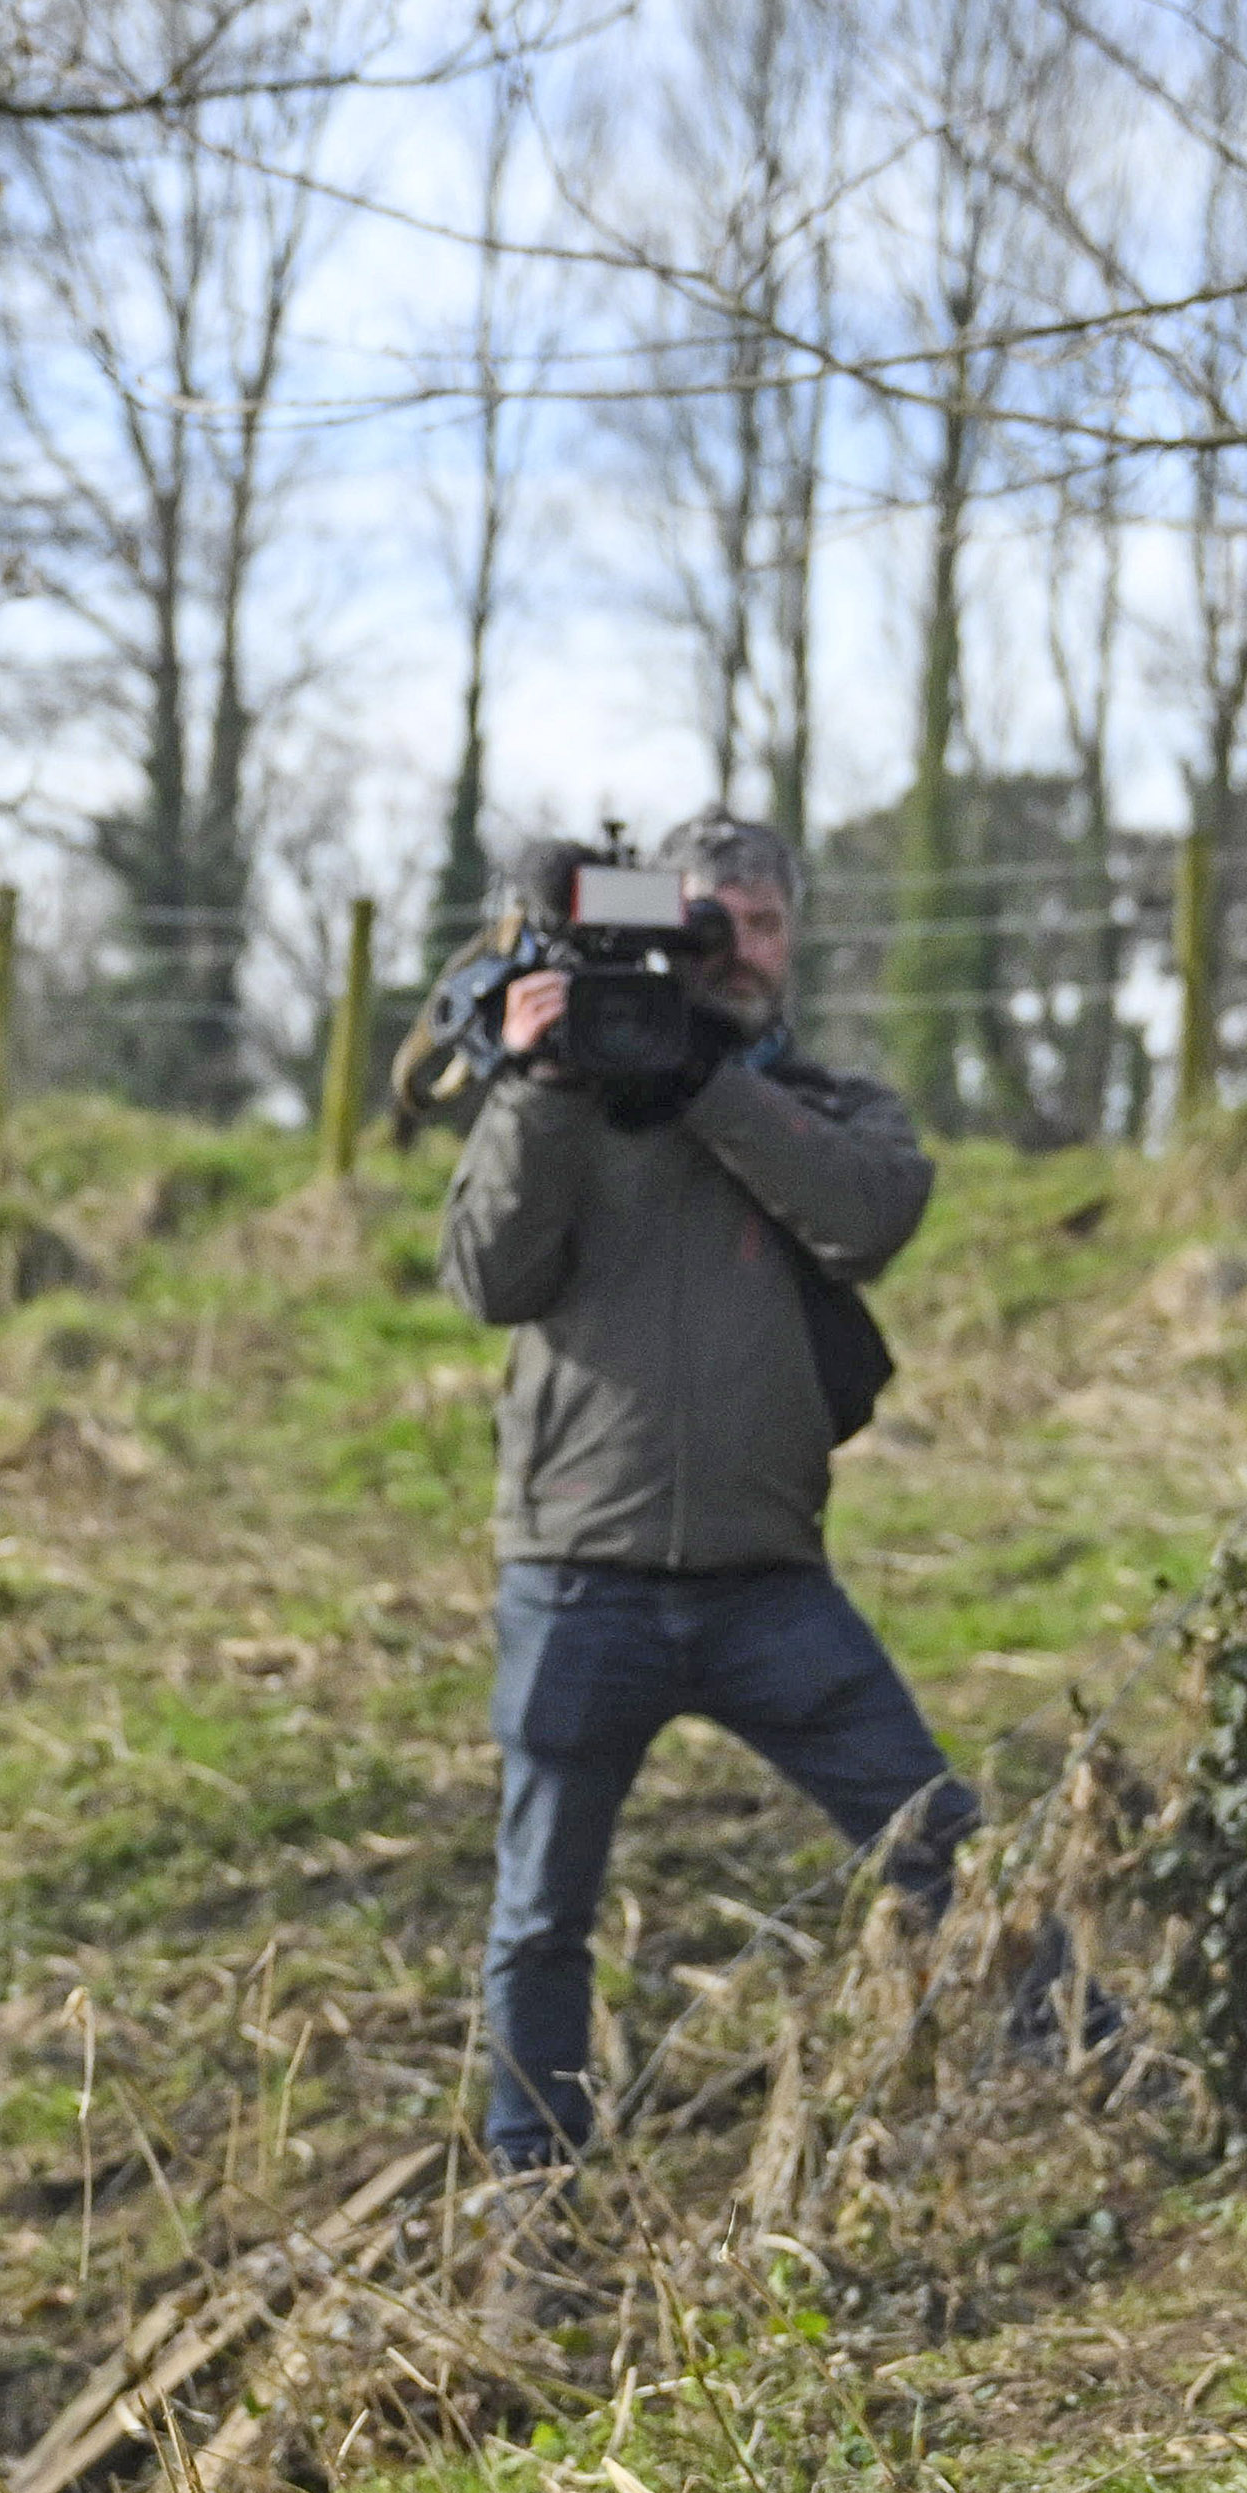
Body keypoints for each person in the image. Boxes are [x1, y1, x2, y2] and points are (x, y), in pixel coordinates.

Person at [441, 810, 969, 2244]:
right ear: (650, 926)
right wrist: (546, 1079)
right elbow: (485, 1278)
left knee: (939, 1843)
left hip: (766, 1587)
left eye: (761, 922)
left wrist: (702, 1083)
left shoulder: (824, 1106)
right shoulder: (552, 1095)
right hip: (574, 1579)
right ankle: (529, 2202)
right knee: (537, 1916)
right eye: (705, 919)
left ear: (791, 944)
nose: (732, 947)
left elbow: (869, 1214)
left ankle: (1089, 2076)